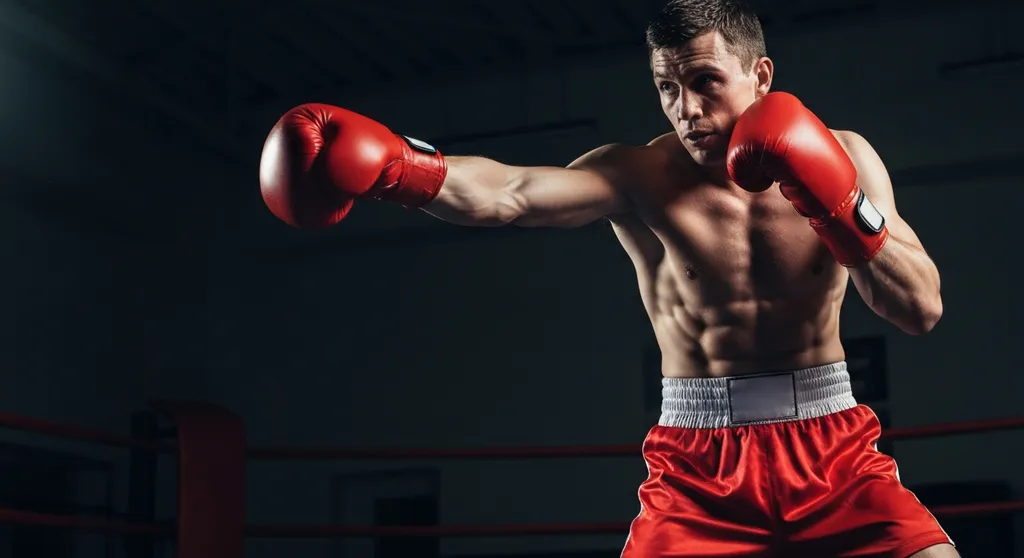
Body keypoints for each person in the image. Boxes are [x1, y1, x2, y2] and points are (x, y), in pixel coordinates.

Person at [258, 0, 953, 555]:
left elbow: (919, 307)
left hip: (831, 449)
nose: (686, 108)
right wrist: (400, 171)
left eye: (705, 82)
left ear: (761, 76)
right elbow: (513, 194)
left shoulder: (846, 155)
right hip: (698, 467)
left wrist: (836, 205)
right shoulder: (638, 174)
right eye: (667, 88)